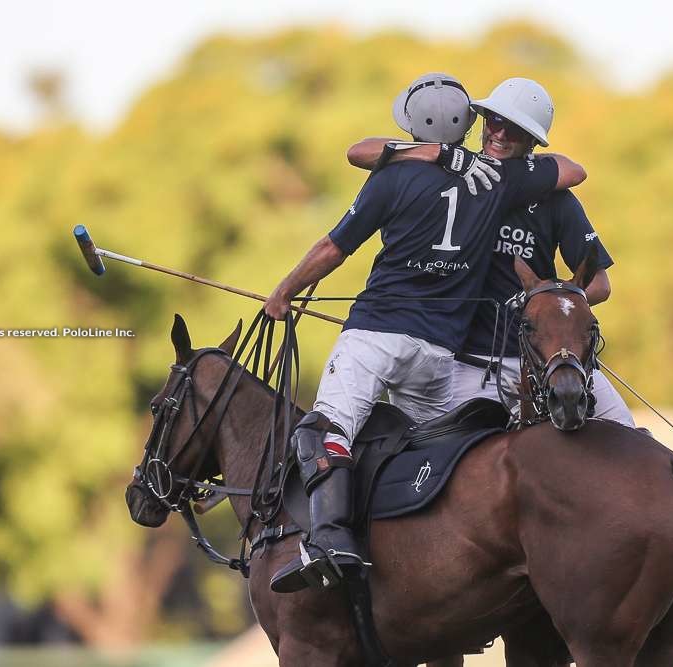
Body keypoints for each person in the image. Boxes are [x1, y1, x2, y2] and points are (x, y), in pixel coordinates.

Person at [262, 73, 583, 593]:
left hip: (378, 335)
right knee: (443, 461)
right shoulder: (499, 180)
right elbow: (573, 169)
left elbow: (332, 246)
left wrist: (284, 291)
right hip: (439, 355)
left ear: (418, 127)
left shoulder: (393, 176)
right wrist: (461, 160)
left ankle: (328, 540)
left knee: (325, 431)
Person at [348, 77, 634, 425]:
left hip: (551, 361)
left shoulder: (554, 198)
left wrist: (551, 307)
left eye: (513, 129)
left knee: (627, 432)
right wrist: (439, 152)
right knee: (446, 459)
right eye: (493, 121)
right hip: (467, 363)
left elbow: (600, 284)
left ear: (531, 141)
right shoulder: (455, 171)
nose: (499, 134)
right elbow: (361, 151)